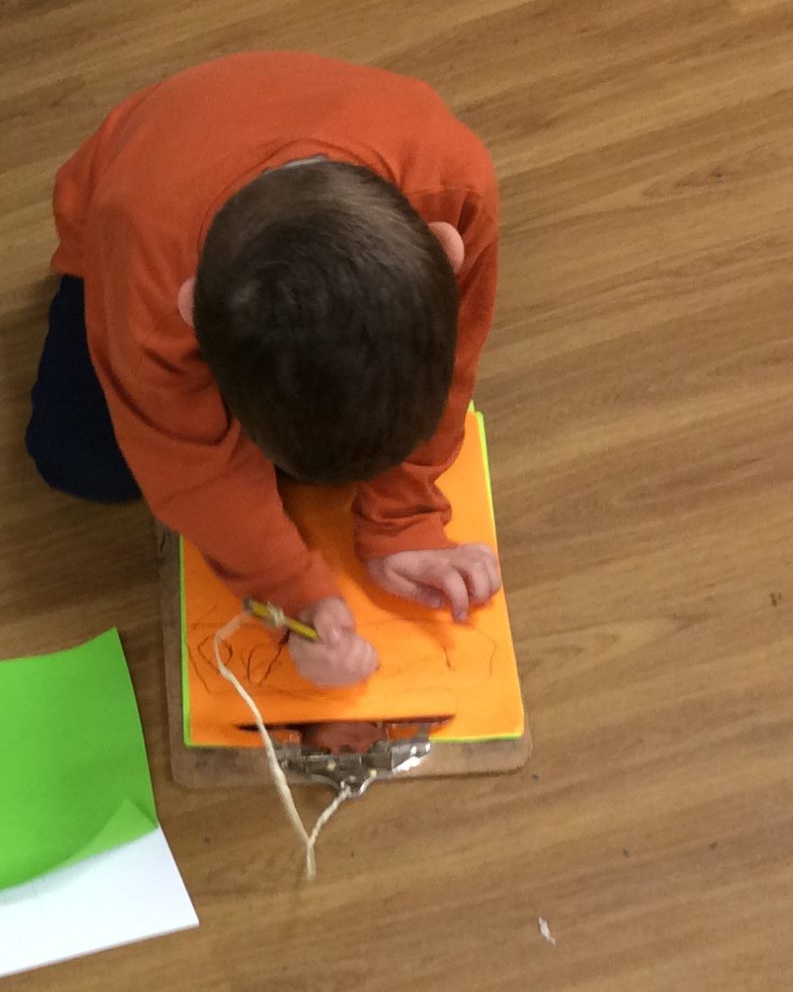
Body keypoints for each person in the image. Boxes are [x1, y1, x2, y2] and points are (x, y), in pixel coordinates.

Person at [27, 52, 503, 688]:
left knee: (317, 445)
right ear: (191, 313)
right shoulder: (148, 261)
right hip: (129, 195)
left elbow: (454, 364)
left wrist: (404, 518)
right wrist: (295, 596)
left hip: (223, 185)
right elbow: (185, 462)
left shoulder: (458, 188)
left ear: (446, 250)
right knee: (81, 461)